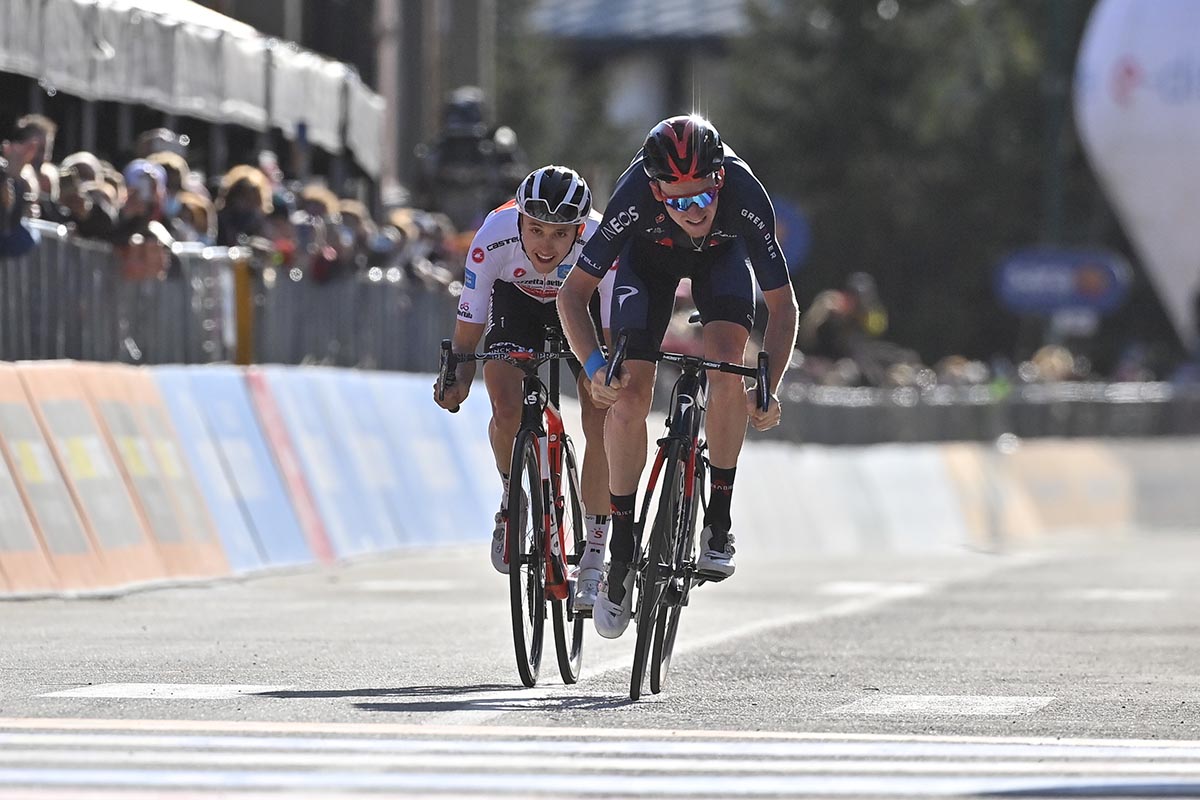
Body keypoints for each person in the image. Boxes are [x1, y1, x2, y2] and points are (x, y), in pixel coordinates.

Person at [556, 115, 799, 639]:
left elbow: (784, 308)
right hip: (646, 265)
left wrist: (768, 388)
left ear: (720, 178)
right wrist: (596, 369)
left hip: (722, 262)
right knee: (627, 395)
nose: (695, 210)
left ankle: (718, 521)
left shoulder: (744, 194)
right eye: (678, 201)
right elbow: (571, 295)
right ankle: (623, 549)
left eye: (705, 196)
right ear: (655, 190)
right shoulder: (632, 197)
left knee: (727, 367)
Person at [433, 166, 616, 613]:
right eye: (535, 230)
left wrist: (607, 375)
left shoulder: (602, 241)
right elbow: (468, 331)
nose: (546, 245)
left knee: (601, 413)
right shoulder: (493, 236)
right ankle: (511, 495)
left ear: (579, 230)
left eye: (559, 234)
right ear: (519, 221)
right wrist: (457, 378)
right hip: (516, 301)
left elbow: (613, 335)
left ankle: (595, 552)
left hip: (582, 304)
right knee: (505, 406)